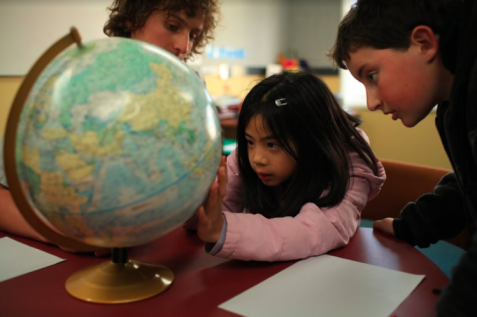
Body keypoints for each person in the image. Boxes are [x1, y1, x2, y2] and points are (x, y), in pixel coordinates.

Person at [0, 0, 220, 246]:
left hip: (166, 249)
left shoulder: (188, 90)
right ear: (132, 20)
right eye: (172, 26)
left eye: (193, 34)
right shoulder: (82, 77)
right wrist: (67, 236)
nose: (184, 46)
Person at [328, 0, 477, 315]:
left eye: (371, 75)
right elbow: (470, 183)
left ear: (423, 43)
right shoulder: (456, 105)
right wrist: (412, 225)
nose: (370, 102)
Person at [190, 70, 386, 261]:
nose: (257, 158)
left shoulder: (350, 161)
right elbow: (211, 214)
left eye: (272, 144)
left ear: (311, 139)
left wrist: (223, 229)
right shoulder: (247, 156)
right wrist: (184, 206)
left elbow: (319, 230)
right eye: (250, 141)